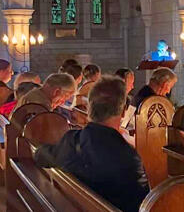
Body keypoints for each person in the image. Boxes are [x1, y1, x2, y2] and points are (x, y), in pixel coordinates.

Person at [34, 76, 149, 212]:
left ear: (89, 108)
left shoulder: (70, 141)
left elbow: (39, 155)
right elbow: (144, 206)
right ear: (123, 111)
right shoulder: (129, 159)